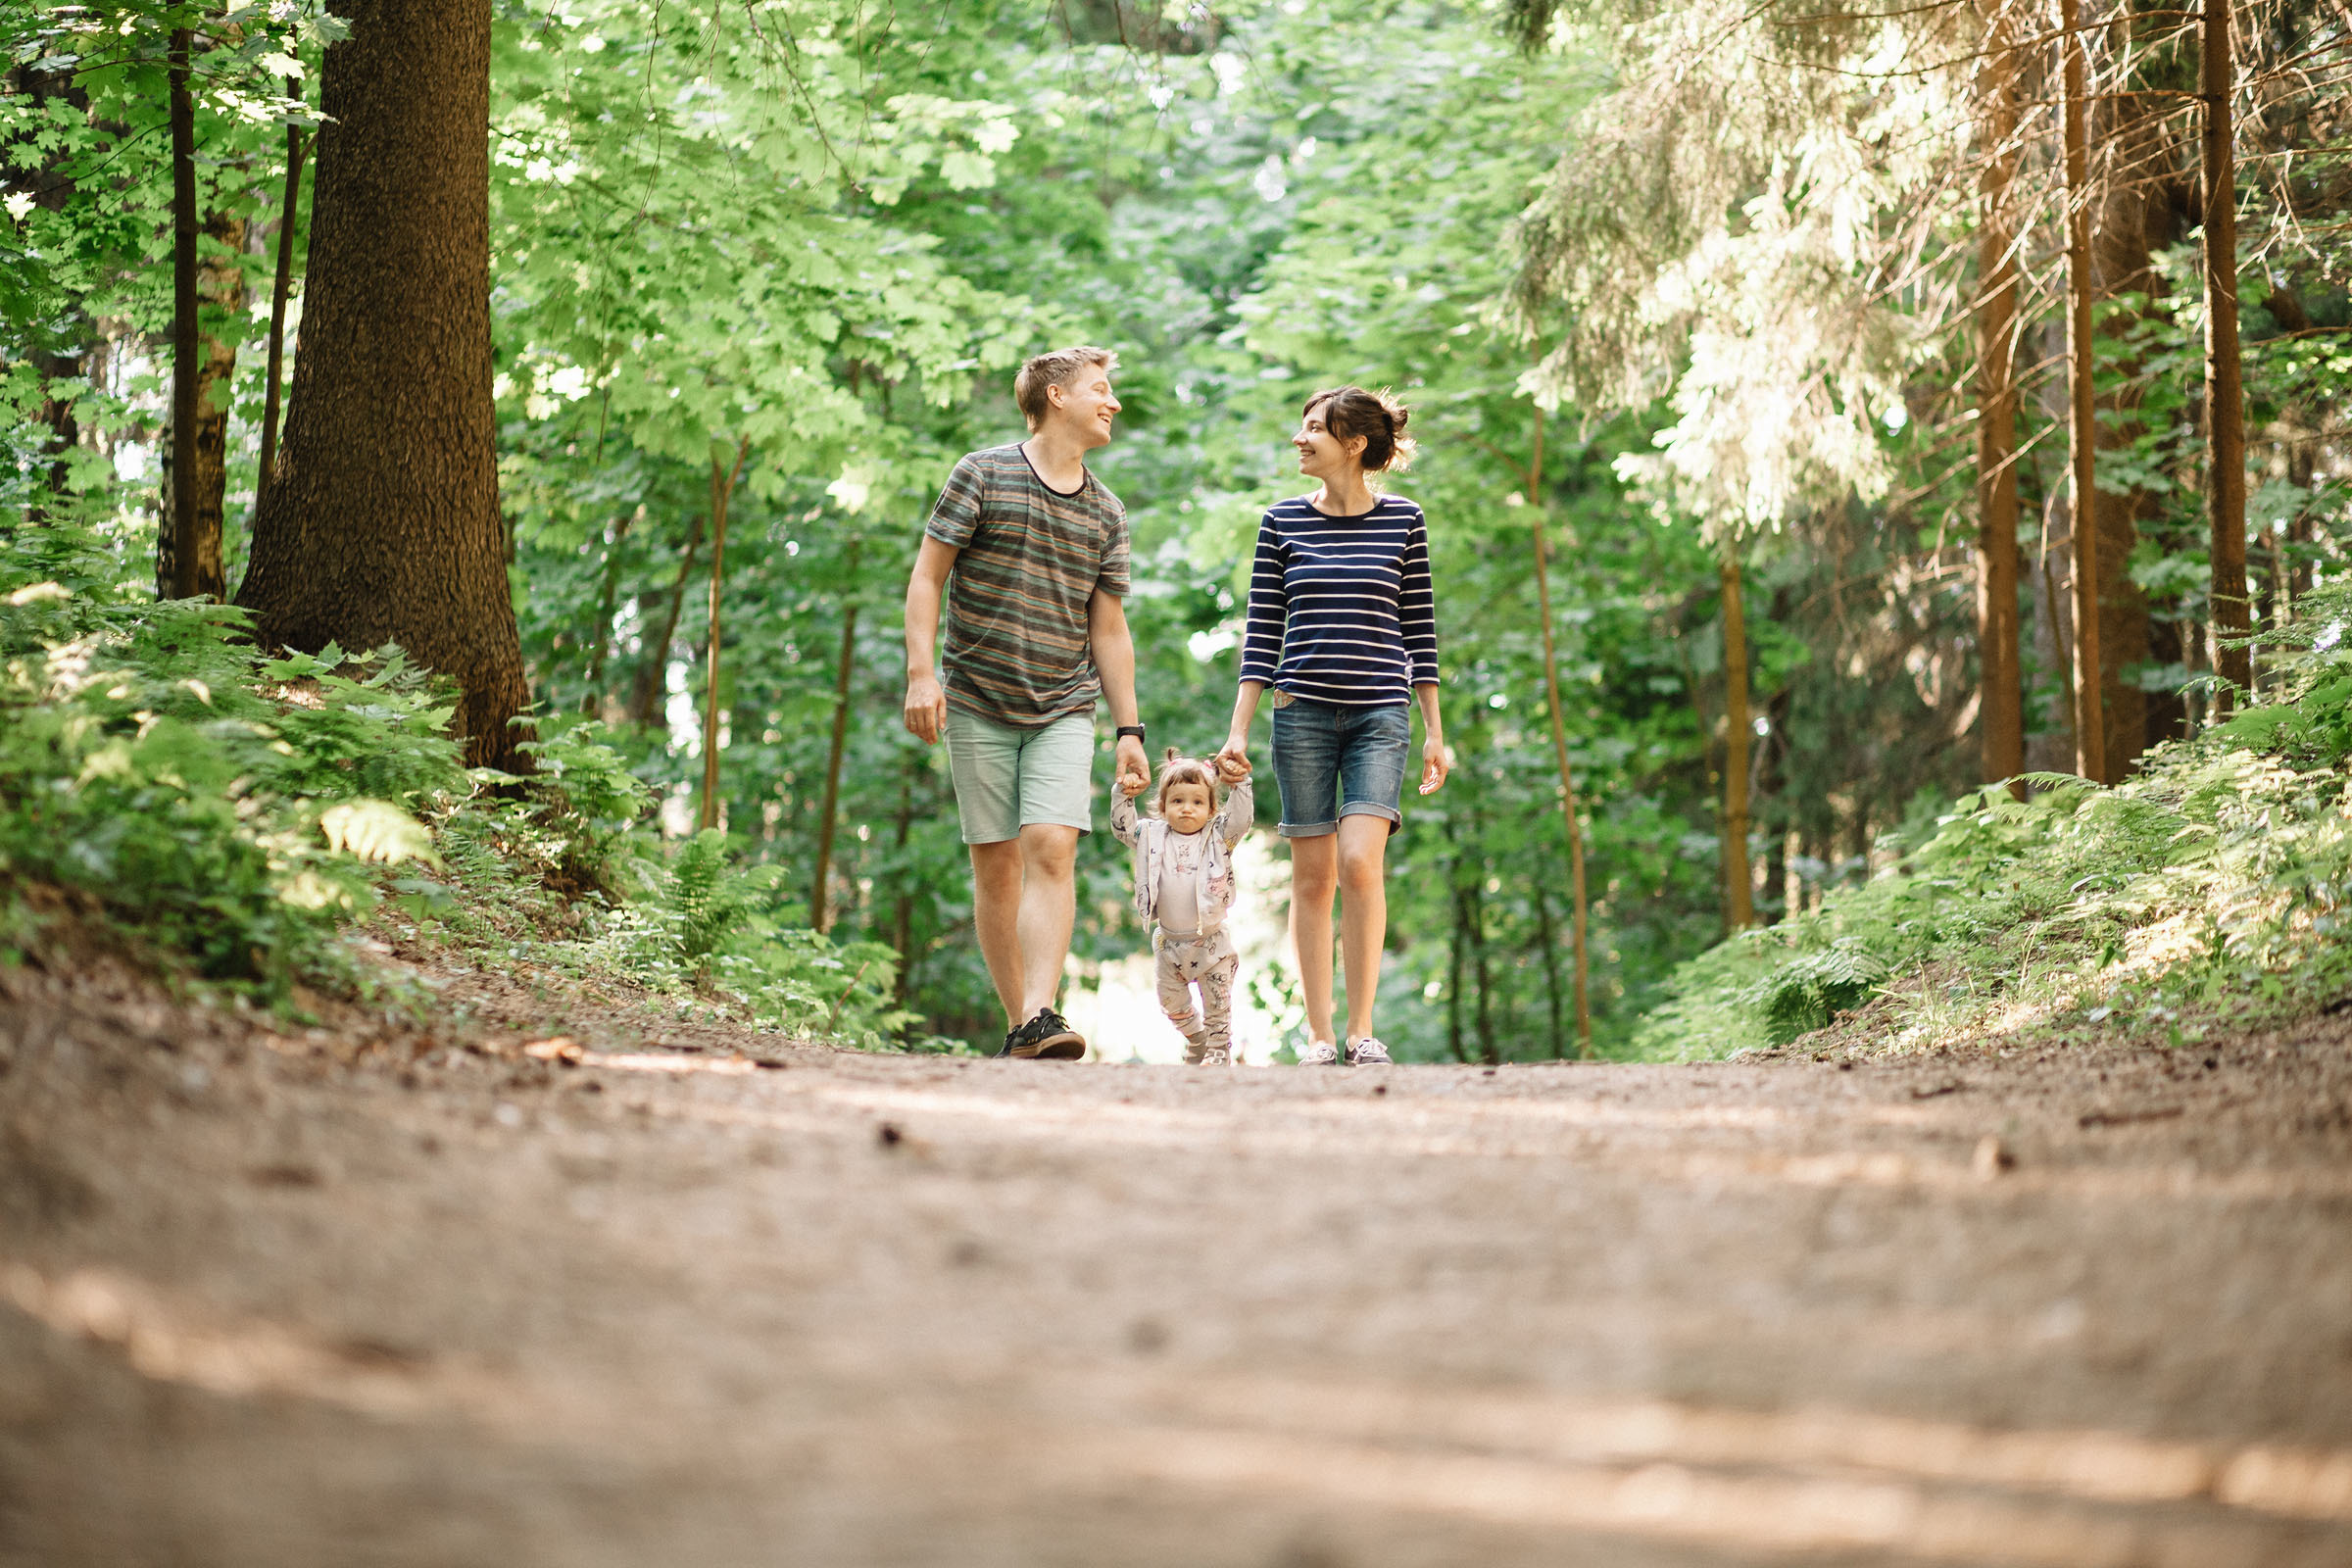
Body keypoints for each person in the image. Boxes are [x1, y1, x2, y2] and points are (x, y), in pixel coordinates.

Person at [903, 347, 1152, 1059]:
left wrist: (1129, 728)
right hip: (977, 697)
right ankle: (1023, 1025)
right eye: (1101, 390)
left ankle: (1042, 1010)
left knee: (1051, 845)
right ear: (1055, 396)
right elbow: (927, 581)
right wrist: (923, 675)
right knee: (997, 864)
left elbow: (1108, 628)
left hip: (1063, 704)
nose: (1114, 403)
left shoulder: (1107, 512)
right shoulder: (982, 474)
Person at [1215, 386, 1448, 1066]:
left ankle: (1360, 1030)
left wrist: (1436, 730)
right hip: (1302, 714)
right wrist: (1238, 730)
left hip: (1381, 713)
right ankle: (1319, 1037)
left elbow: (1420, 632)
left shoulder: (1404, 520)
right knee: (1313, 876)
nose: (1300, 437)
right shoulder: (1280, 521)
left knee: (1358, 862)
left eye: (1314, 428)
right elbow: (1262, 631)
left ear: (1353, 444)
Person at [1110, 752, 1254, 1066]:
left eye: (1197, 802)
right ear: (1163, 807)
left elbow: (1241, 819)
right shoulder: (1151, 836)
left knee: (1218, 1003)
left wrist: (1240, 784)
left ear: (1211, 808)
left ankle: (1218, 1051)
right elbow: (1123, 828)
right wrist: (1123, 793)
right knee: (1170, 1002)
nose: (1187, 808)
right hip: (1169, 943)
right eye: (1177, 801)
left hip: (1212, 943)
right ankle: (1198, 1039)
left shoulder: (1218, 836)